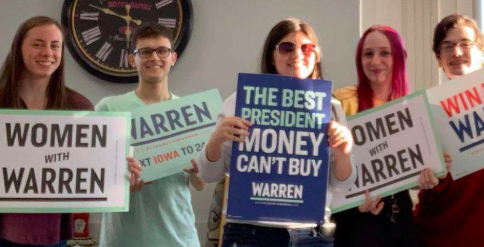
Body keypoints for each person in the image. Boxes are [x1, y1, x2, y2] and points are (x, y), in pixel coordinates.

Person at [197, 18, 357, 247]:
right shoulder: (240, 102)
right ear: (272, 55)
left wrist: (343, 152)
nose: (297, 54)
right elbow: (208, 174)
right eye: (286, 47)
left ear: (317, 55)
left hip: (312, 236)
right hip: (251, 235)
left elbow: (342, 183)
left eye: (306, 47)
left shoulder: (332, 109)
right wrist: (216, 139)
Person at [96, 22, 205, 247]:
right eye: (145, 51)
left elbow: (200, 183)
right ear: (132, 59)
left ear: (172, 58)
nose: (154, 57)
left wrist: (196, 170)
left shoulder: (191, 114)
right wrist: (120, 181)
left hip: (179, 239)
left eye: (162, 51)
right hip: (122, 240)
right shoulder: (108, 108)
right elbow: (93, 176)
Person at [332, 25, 439, 247]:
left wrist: (426, 178)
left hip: (400, 220)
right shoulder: (341, 102)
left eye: (385, 53)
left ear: (398, 57)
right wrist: (356, 203)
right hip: (354, 222)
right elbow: (328, 172)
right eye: (368, 54)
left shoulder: (412, 107)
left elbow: (409, 173)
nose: (375, 61)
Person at [0, 16, 93, 246]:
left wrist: (120, 172)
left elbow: (91, 167)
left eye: (55, 45)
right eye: (37, 44)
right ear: (19, 48)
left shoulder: (79, 108)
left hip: (51, 231)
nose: (48, 52)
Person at [414, 14, 484, 247]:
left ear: (482, 52)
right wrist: (424, 179)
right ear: (439, 58)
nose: (456, 53)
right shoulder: (423, 114)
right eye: (447, 47)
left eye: (465, 44)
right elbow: (419, 181)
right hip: (438, 235)